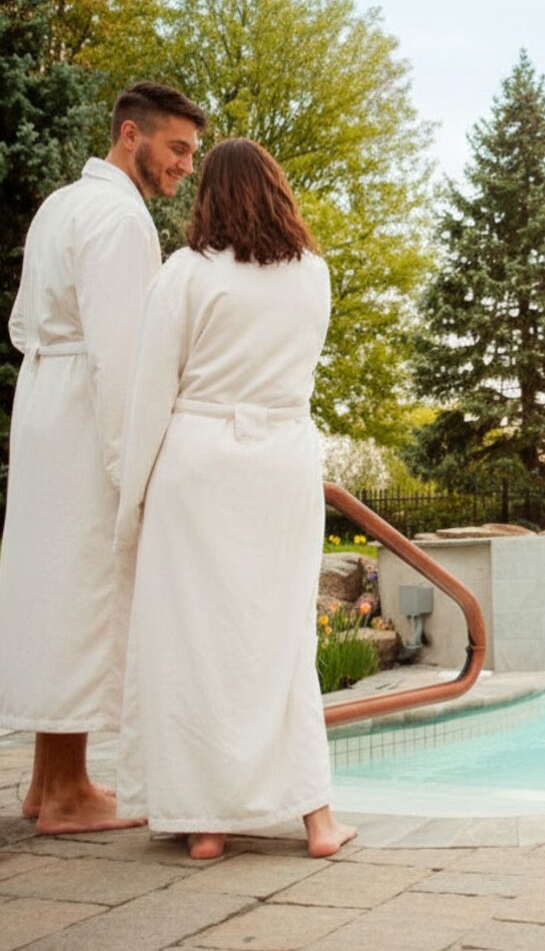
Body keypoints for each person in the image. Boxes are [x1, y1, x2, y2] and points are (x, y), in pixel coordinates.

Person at [114, 138, 355, 860]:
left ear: (209, 195)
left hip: (201, 461)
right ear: (278, 190)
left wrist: (133, 497)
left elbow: (151, 390)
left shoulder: (185, 274)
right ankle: (317, 820)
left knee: (195, 641)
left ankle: (208, 825)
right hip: (281, 463)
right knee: (281, 639)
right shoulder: (313, 274)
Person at [0, 82, 206, 834]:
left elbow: (25, 322)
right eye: (176, 148)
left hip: (45, 404)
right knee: (84, 590)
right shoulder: (121, 219)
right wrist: (134, 468)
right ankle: (66, 794)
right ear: (130, 135)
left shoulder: (61, 203)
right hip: (86, 415)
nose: (185, 165)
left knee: (52, 585)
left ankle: (45, 780)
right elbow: (126, 358)